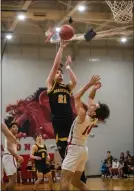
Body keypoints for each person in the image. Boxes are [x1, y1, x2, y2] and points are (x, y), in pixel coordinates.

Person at [61, 75, 110, 190]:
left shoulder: (83, 115)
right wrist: (94, 88)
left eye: (94, 106)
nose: (92, 104)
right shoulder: (94, 118)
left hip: (74, 149)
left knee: (64, 180)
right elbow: (90, 98)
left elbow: (76, 97)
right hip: (83, 150)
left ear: (94, 112)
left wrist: (89, 84)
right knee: (76, 181)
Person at [2, 122, 24, 191]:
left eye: (17, 127)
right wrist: (18, 157)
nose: (16, 128)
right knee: (13, 180)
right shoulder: (9, 135)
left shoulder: (13, 137)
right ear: (9, 129)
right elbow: (9, 148)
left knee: (12, 180)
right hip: (9, 157)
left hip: (10, 157)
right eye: (14, 127)